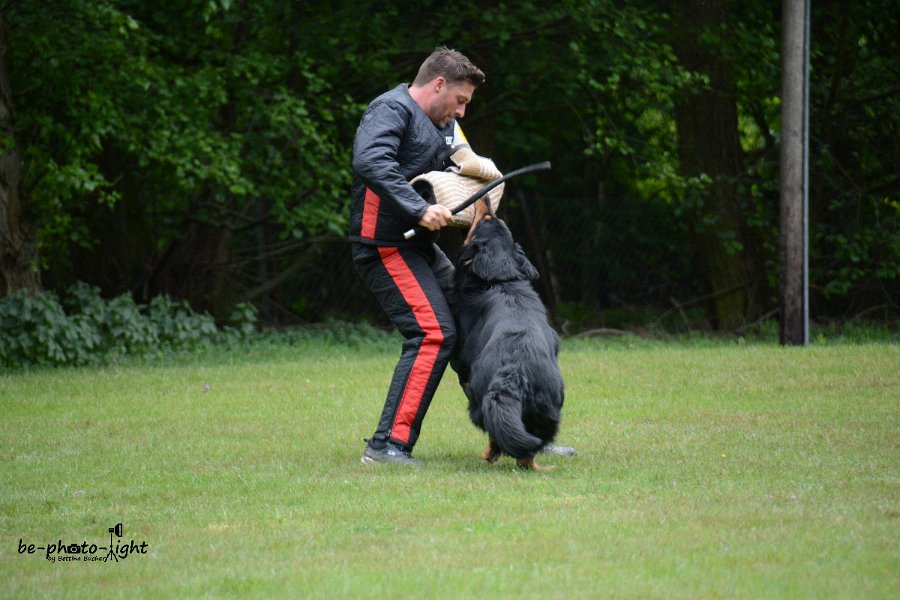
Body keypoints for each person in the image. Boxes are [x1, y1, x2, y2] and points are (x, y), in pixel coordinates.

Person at [350, 46, 576, 466]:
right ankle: (386, 447)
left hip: (420, 247)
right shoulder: (390, 110)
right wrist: (418, 208)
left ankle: (520, 430)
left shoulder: (447, 125)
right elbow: (370, 160)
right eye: (460, 100)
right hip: (384, 247)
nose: (462, 112)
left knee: (476, 330)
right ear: (438, 85)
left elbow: (469, 166)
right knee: (433, 333)